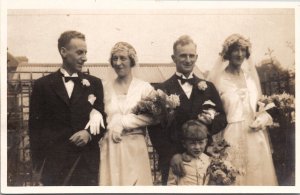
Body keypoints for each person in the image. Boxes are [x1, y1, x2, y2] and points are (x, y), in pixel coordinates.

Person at [29, 30, 105, 186]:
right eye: (79, 52)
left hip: (85, 164)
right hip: (54, 167)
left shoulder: (94, 84)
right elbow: (35, 129)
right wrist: (38, 167)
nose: (85, 57)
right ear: (63, 52)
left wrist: (88, 134)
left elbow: (103, 118)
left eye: (85, 52)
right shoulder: (42, 85)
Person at [148, 35, 227, 185]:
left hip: (203, 157)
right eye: (183, 56)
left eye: (191, 56)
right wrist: (171, 155)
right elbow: (154, 129)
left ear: (196, 57)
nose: (188, 60)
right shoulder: (161, 89)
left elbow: (222, 118)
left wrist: (209, 123)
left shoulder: (208, 87)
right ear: (174, 58)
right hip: (174, 161)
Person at [208, 33, 278, 185]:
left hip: (256, 136)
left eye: (243, 50)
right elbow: (213, 111)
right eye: (235, 50)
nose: (239, 54)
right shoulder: (218, 80)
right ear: (228, 52)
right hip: (231, 137)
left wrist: (262, 119)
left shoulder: (251, 78)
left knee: (257, 176)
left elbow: (260, 106)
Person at [99, 42, 154, 185]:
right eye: (115, 59)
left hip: (136, 147)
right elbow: (100, 112)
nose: (118, 63)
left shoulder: (144, 87)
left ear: (132, 61)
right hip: (112, 146)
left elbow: (154, 116)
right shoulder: (104, 87)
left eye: (123, 58)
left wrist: (123, 122)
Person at [167, 120, 211, 185]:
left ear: (206, 142)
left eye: (201, 143)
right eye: (192, 143)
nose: (197, 147)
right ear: (184, 144)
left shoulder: (208, 160)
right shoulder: (178, 162)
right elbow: (171, 184)